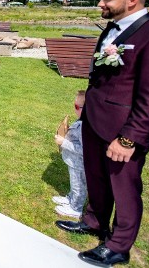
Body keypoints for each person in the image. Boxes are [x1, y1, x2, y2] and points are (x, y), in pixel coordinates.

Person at [55, 0, 149, 267]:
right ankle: (95, 222)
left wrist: (129, 138)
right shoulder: (112, 29)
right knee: (96, 177)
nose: (101, 3)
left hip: (123, 130)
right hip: (95, 120)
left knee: (124, 187)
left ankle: (119, 246)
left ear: (132, 0)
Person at [52, 90, 86, 219]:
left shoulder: (84, 126)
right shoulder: (81, 121)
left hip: (79, 164)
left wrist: (63, 142)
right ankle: (71, 198)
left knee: (79, 186)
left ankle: (75, 208)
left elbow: (84, 150)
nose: (74, 108)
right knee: (74, 184)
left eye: (77, 106)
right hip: (74, 162)